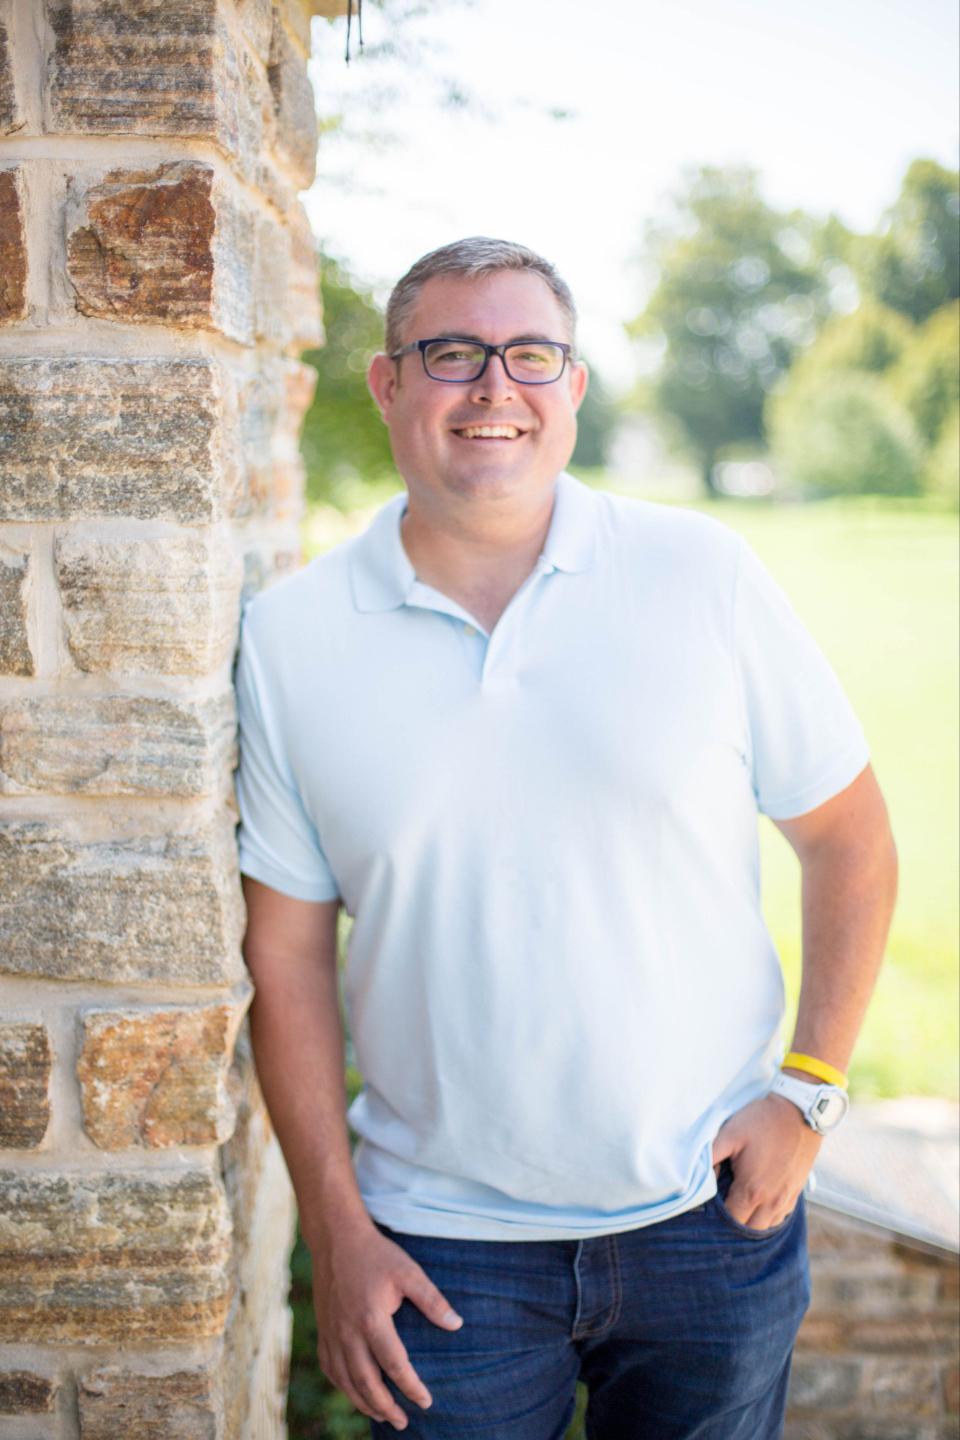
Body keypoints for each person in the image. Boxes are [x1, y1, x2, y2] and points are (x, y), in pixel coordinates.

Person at [236, 238, 897, 1439]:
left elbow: (849, 836)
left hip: (710, 1215)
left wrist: (809, 1092)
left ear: (574, 389)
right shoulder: (291, 639)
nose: (496, 386)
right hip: (439, 1249)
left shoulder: (701, 574)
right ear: (387, 383)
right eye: (452, 353)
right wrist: (334, 1227)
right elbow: (284, 954)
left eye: (531, 355)